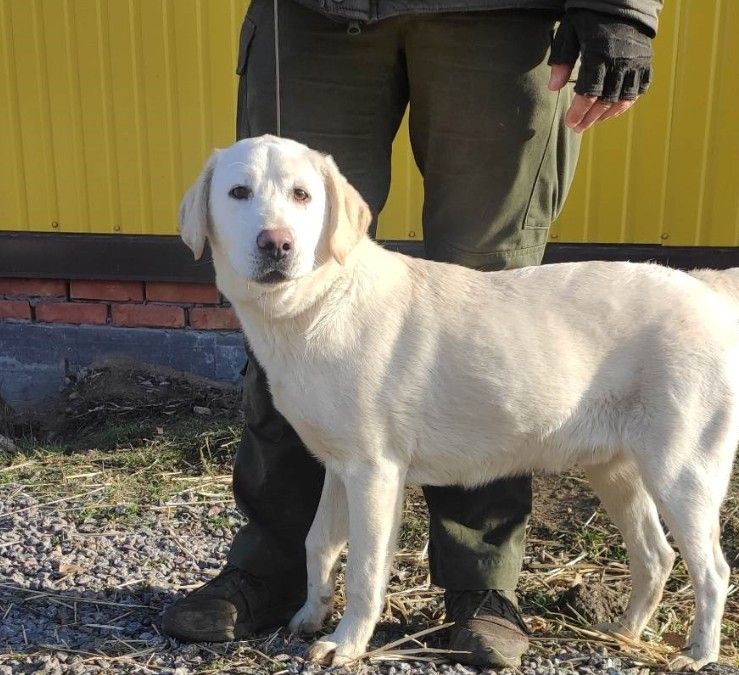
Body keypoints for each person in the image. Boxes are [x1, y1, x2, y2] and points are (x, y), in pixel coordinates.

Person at [161, 0, 661, 668]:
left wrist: (620, 7)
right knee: (278, 255)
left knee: (493, 305)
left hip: (499, 17)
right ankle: (278, 568)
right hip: (312, 15)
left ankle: (481, 584)